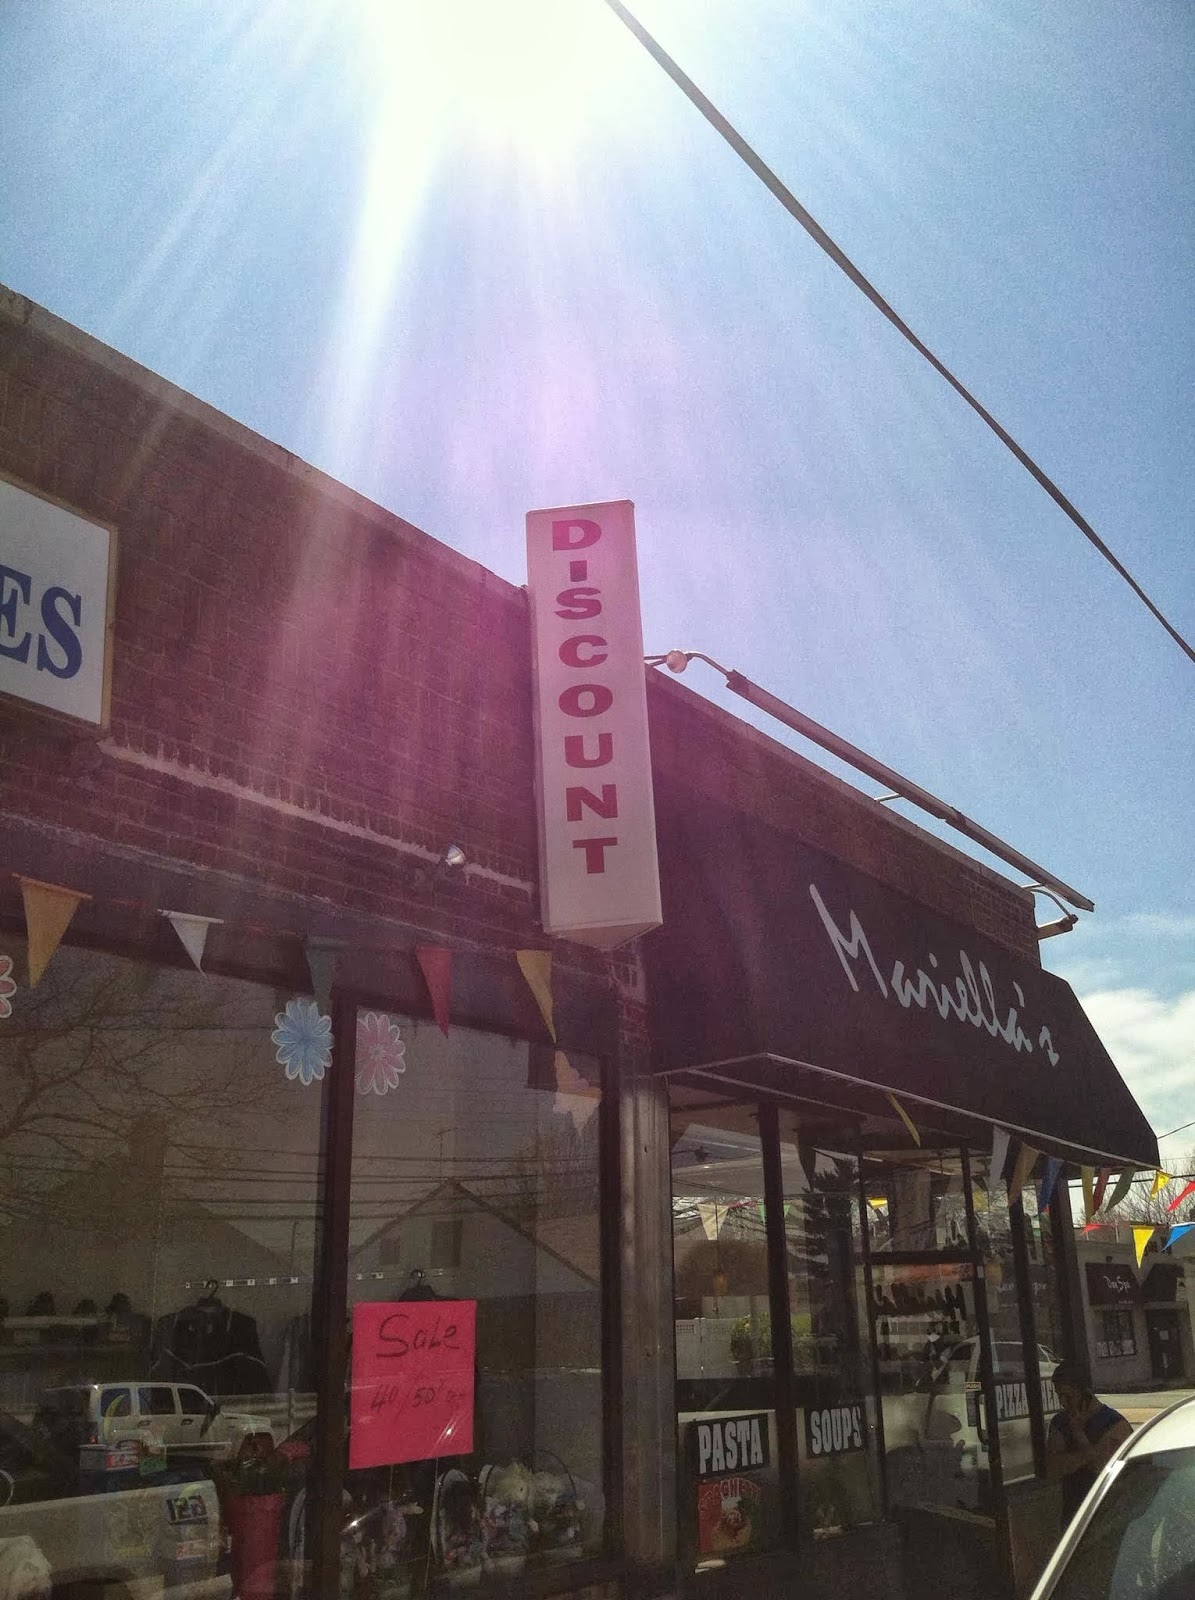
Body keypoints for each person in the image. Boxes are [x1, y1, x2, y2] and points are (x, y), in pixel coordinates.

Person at [1046, 1359, 1132, 1525]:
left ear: (1085, 1393)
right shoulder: (1060, 1423)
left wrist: (1079, 1435)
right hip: (1074, 1515)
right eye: (1059, 1396)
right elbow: (1055, 1469)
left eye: (1068, 1396)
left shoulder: (1114, 1423)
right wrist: (1092, 1452)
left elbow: (1101, 1468)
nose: (1063, 1402)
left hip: (1107, 1515)